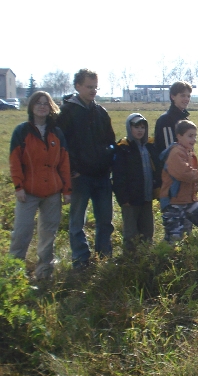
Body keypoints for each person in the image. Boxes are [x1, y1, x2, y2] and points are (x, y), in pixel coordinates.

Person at [57, 69, 116, 269]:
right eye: (89, 87)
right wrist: (72, 169)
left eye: (95, 87)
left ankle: (104, 257)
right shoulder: (67, 112)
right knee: (77, 222)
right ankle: (80, 260)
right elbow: (62, 144)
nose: (93, 91)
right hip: (80, 177)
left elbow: (110, 141)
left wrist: (108, 162)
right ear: (78, 86)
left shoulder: (101, 112)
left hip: (102, 176)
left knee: (105, 220)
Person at [9, 92, 71, 279]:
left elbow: (64, 163)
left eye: (46, 103)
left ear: (50, 107)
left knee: (48, 234)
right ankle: (14, 273)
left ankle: (44, 272)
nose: (42, 106)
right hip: (28, 192)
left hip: (52, 192)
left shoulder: (57, 133)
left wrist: (67, 190)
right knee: (21, 232)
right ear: (31, 107)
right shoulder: (22, 131)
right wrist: (18, 187)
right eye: (38, 103)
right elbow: (14, 162)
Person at [159, 120, 198, 242]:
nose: (194, 139)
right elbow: (184, 173)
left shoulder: (188, 152)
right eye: (190, 136)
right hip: (173, 202)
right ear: (179, 136)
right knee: (175, 236)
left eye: (195, 136)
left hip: (188, 200)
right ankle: (167, 253)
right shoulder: (176, 153)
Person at [112, 113, 162, 252]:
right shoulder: (123, 148)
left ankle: (146, 256)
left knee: (147, 230)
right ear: (129, 128)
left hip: (146, 196)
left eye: (142, 127)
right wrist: (123, 198)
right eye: (136, 127)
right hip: (130, 198)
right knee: (131, 232)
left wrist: (157, 188)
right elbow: (118, 176)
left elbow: (157, 169)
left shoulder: (150, 146)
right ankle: (130, 258)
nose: (140, 130)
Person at [154, 81, 191, 155]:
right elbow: (169, 151)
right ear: (173, 96)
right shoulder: (166, 120)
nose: (186, 99)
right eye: (182, 95)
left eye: (188, 96)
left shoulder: (184, 119)